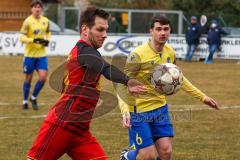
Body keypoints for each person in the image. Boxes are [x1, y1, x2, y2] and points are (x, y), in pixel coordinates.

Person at [27, 6, 146, 160]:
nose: (105, 35)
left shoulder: (81, 51)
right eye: (100, 30)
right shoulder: (85, 52)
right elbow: (105, 67)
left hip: (80, 130)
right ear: (85, 29)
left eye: (106, 30)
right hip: (62, 125)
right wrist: (128, 80)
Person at [117, 15, 219, 160]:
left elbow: (178, 79)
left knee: (166, 152)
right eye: (158, 29)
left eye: (166, 29)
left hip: (160, 109)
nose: (162, 33)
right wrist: (125, 111)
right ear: (151, 31)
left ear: (170, 31)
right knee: (148, 156)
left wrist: (203, 97)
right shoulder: (137, 55)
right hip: (138, 111)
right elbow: (122, 83)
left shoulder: (170, 52)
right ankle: (127, 156)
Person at [19, 0, 51, 110]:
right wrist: (33, 40)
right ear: (31, 9)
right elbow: (21, 37)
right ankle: (24, 101)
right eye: (35, 7)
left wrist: (47, 40)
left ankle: (33, 97)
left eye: (39, 7)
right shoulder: (27, 21)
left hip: (41, 55)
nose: (37, 9)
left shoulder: (45, 21)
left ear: (41, 9)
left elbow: (48, 32)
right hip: (29, 55)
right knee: (28, 78)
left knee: (43, 78)